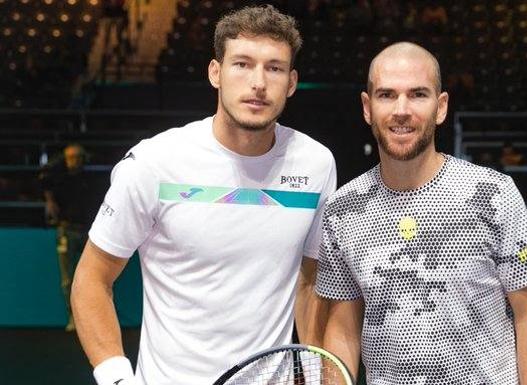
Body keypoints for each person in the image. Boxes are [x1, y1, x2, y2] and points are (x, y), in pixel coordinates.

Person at [71, 5, 336, 385]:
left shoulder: (316, 165)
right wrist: (116, 378)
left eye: (274, 68)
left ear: (291, 82)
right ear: (216, 73)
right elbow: (92, 279)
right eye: (242, 64)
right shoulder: (154, 162)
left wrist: (315, 374)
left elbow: (308, 283)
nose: (258, 82)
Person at [315, 42, 527, 385]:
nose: (401, 109)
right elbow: (343, 328)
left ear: (440, 107)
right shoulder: (342, 209)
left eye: (417, 95)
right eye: (386, 95)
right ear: (367, 108)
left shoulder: (493, 193)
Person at [39, 143, 94, 331]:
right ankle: (73, 317)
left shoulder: (91, 180)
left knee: (94, 277)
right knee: (67, 279)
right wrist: (50, 201)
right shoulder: (58, 179)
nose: (74, 161)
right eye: (70, 157)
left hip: (90, 233)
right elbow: (42, 177)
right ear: (64, 159)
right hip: (66, 230)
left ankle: (96, 319)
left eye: (78, 157)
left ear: (84, 159)